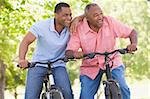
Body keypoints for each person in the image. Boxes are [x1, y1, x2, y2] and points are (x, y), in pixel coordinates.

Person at [66, 3, 137, 99]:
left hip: (112, 61)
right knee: (85, 96)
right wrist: (75, 53)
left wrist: (133, 44)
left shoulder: (110, 21)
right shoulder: (79, 28)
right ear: (87, 18)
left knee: (123, 88)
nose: (100, 17)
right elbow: (69, 51)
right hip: (90, 66)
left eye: (101, 14)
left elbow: (132, 32)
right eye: (95, 15)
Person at [18, 2, 74, 99]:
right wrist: (22, 59)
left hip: (58, 64)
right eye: (65, 15)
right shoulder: (42, 26)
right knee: (31, 96)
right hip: (38, 64)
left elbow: (86, 17)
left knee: (67, 94)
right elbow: (25, 42)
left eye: (70, 15)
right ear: (56, 15)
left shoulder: (71, 27)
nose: (69, 18)